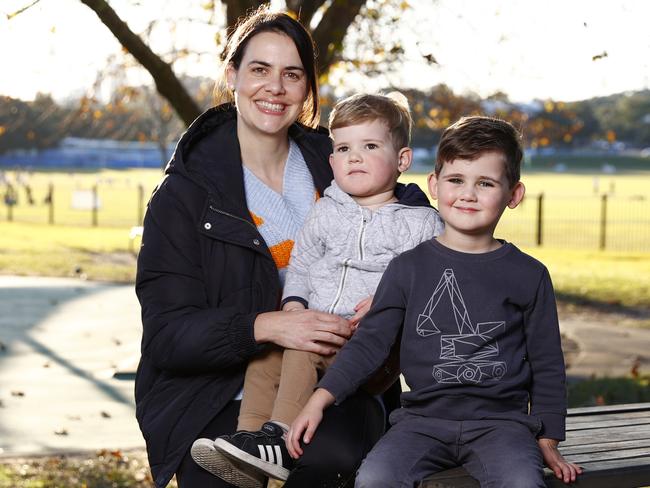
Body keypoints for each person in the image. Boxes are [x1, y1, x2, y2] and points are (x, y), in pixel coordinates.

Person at [135, 8, 392, 488]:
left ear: (306, 89)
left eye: (291, 74)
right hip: (213, 396)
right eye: (259, 69)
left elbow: (412, 207)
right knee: (223, 476)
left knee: (328, 461)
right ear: (232, 75)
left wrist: (395, 286)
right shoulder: (184, 195)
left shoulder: (333, 158)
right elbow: (169, 336)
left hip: (332, 382)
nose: (274, 87)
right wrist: (271, 326)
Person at [288, 116, 584, 487]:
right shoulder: (408, 268)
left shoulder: (529, 274)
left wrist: (549, 437)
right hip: (420, 425)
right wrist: (319, 400)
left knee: (523, 483)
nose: (468, 194)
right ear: (435, 184)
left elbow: (547, 363)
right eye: (456, 180)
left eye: (486, 183)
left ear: (514, 195)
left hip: (502, 427)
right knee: (373, 479)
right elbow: (369, 344)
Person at [190, 92, 444, 486]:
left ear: (402, 160)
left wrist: (391, 297)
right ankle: (250, 445)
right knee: (264, 358)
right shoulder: (325, 211)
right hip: (317, 326)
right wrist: (293, 304)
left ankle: (277, 434)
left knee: (300, 351)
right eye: (343, 148)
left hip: (366, 342)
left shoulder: (419, 223)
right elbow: (303, 266)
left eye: (370, 146)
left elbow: (437, 279)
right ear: (332, 162)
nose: (354, 157)